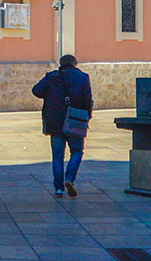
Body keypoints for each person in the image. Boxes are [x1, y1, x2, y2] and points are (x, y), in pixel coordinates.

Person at [31, 54, 94, 197]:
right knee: (77, 151)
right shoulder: (83, 77)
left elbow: (36, 90)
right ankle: (70, 178)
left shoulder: (51, 77)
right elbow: (87, 99)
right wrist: (87, 117)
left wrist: (50, 94)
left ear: (61, 63)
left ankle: (58, 188)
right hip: (75, 119)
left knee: (57, 156)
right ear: (74, 64)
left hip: (55, 121)